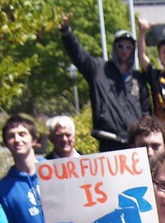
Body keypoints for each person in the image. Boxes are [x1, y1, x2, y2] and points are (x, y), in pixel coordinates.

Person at [60, 16, 151, 151]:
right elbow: (78, 54)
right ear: (114, 48)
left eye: (128, 47)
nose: (124, 50)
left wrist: (145, 134)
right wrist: (66, 31)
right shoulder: (99, 69)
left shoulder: (138, 78)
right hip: (109, 141)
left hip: (134, 143)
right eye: (120, 46)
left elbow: (146, 110)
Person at [0, 114, 48, 223]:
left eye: (22, 134)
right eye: (11, 136)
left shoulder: (55, 170)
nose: (17, 139)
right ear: (6, 143)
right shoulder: (3, 188)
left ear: (34, 140)